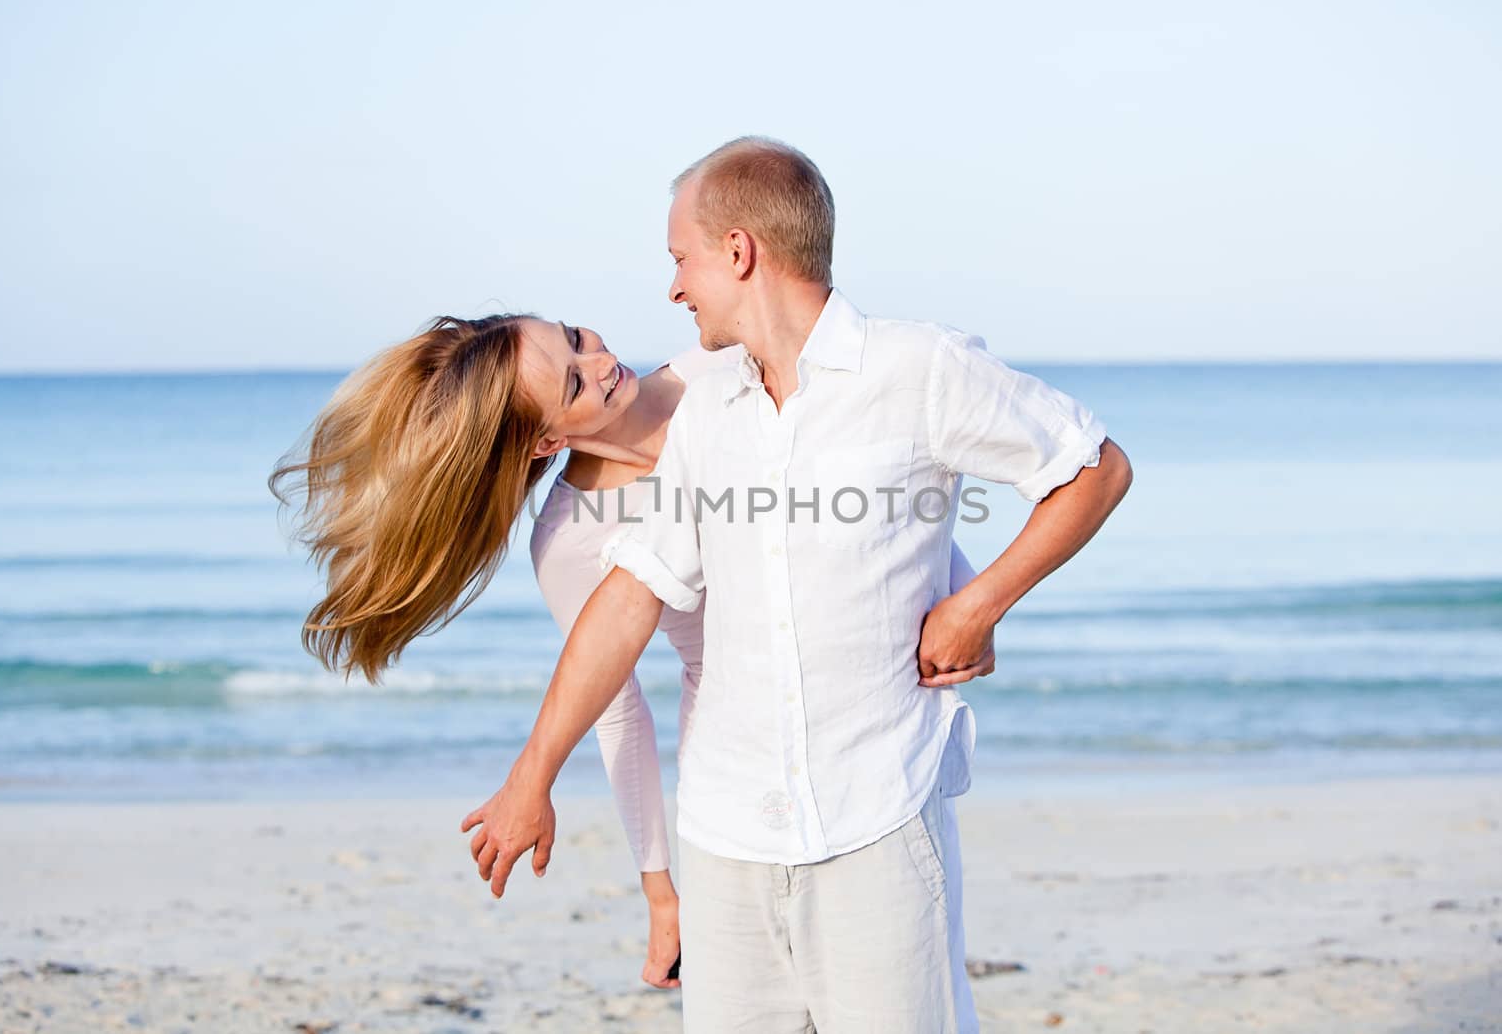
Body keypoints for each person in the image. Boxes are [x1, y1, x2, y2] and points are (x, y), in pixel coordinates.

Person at [460, 136, 1134, 1032]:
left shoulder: (913, 369)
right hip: (725, 831)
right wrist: (534, 777)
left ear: (737, 253)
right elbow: (629, 600)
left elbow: (1085, 468)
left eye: (680, 260)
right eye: (571, 379)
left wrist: (977, 601)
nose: (671, 289)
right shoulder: (710, 416)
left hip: (876, 813)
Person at [268, 305, 987, 991]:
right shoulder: (571, 540)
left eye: (577, 336)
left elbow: (870, 483)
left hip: (867, 745)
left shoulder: (725, 366)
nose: (603, 361)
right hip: (733, 779)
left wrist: (965, 601)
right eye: (575, 381)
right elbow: (620, 716)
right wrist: (661, 891)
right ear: (547, 441)